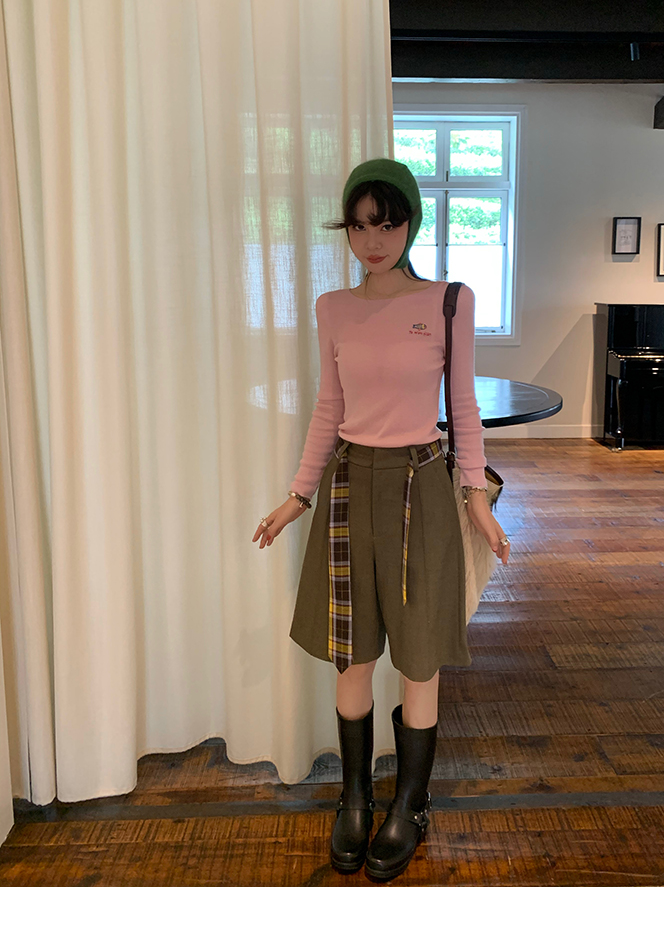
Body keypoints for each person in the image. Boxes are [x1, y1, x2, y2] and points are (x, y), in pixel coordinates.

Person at [252, 158, 510, 882]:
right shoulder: (333, 307)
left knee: (419, 655)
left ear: (411, 224)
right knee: (354, 652)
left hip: (421, 485)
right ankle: (356, 798)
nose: (373, 240)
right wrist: (297, 495)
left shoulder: (449, 301)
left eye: (388, 224)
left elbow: (463, 408)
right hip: (348, 487)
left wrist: (476, 497)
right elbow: (329, 409)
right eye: (360, 226)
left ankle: (412, 803)